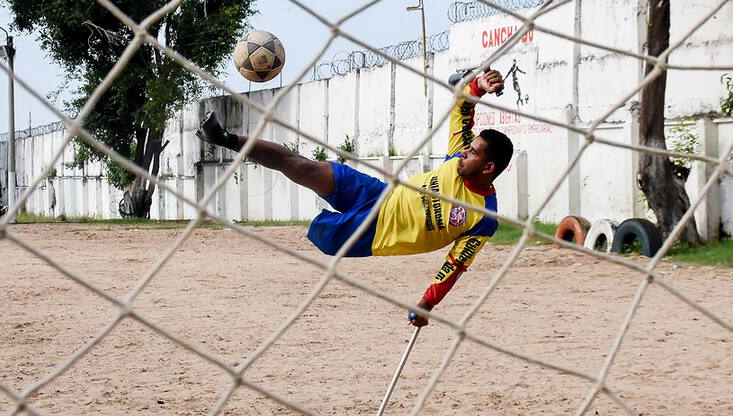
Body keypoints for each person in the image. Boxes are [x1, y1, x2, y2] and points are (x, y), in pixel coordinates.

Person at [196, 70, 511, 327]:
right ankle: (225, 139)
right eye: (467, 148)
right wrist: (478, 87)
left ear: (488, 168)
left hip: (375, 233)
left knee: (319, 235)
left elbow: (455, 265)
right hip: (376, 192)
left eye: (471, 153)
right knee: (302, 166)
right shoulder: (457, 159)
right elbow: (463, 109)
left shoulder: (483, 218)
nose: (463, 154)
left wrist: (427, 302)